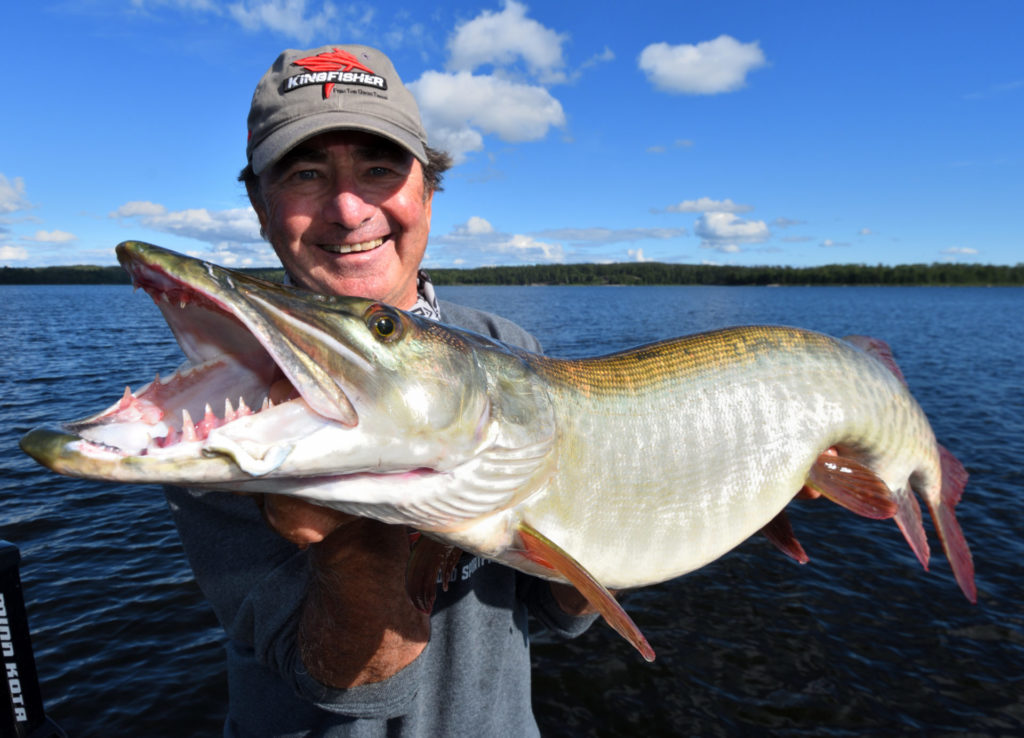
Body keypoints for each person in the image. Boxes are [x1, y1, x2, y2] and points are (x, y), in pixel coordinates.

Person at [164, 44, 597, 737]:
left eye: (379, 169)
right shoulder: (226, 417)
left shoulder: (512, 347)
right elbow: (343, 683)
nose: (346, 208)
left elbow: (561, 610)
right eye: (305, 173)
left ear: (427, 189)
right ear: (258, 204)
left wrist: (686, 495)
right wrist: (354, 545)